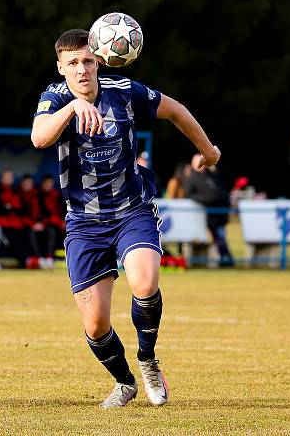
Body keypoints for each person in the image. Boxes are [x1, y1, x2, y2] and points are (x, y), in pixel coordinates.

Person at [31, 28, 221, 408]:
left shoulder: (124, 91)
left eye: (87, 60)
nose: (82, 69)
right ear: (60, 68)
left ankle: (148, 360)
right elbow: (39, 138)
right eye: (73, 64)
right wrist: (72, 108)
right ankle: (125, 382)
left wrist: (209, 151)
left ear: (99, 59)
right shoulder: (54, 97)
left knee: (145, 282)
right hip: (84, 222)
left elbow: (177, 111)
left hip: (132, 210)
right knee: (96, 325)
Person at [184, 152, 234, 267]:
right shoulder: (192, 179)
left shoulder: (212, 175)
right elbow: (190, 194)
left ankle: (226, 259)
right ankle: (226, 259)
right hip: (206, 214)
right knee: (219, 237)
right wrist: (205, 199)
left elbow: (221, 190)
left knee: (221, 236)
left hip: (219, 212)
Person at [0, 169, 29, 269]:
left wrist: (10, 207)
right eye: (6, 177)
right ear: (2, 178)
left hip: (15, 223)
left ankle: (25, 262)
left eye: (10, 177)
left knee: (24, 235)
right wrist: (8, 208)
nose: (8, 179)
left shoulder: (16, 190)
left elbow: (21, 208)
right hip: (1, 222)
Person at [36, 174, 66, 268]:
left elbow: (62, 211)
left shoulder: (56, 195)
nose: (48, 186)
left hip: (56, 223)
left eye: (50, 184)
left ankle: (66, 258)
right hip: (45, 224)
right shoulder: (38, 195)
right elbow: (41, 214)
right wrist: (59, 222)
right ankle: (46, 259)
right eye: (46, 184)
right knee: (50, 231)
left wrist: (62, 222)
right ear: (42, 184)